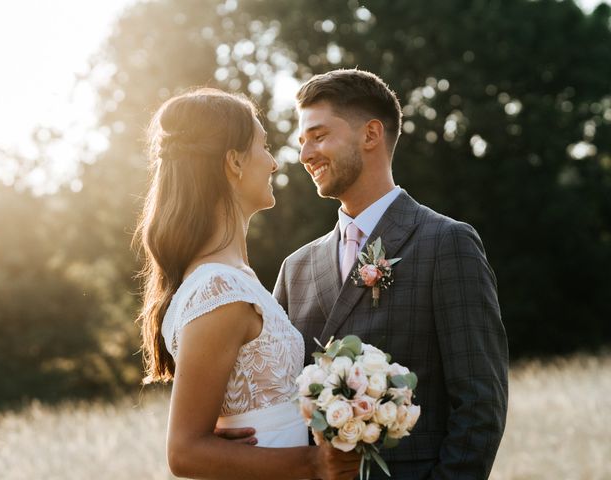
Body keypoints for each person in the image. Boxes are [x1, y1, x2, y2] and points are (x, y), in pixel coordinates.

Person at [270, 69, 508, 478]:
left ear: (371, 135)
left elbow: (480, 405)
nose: (305, 154)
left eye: (319, 135)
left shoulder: (446, 243)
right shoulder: (296, 268)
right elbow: (275, 398)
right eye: (302, 142)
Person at [135, 88, 360, 480]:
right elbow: (184, 452)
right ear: (235, 162)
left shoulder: (235, 278)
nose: (273, 163)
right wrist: (312, 463)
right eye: (264, 146)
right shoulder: (219, 289)